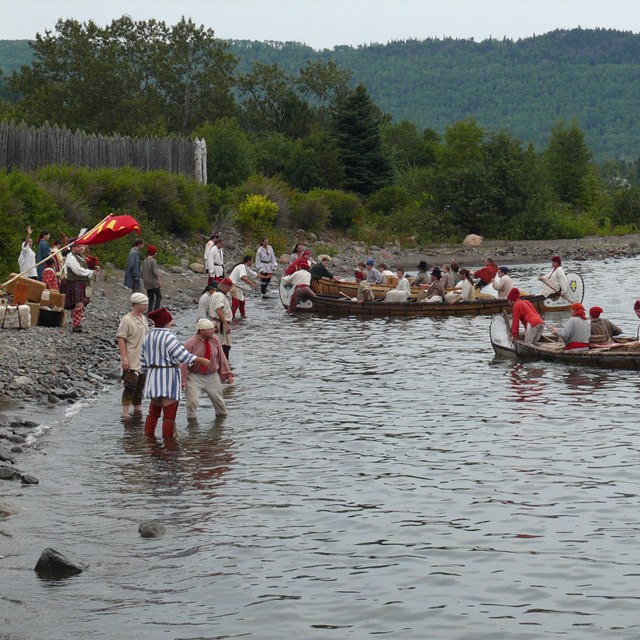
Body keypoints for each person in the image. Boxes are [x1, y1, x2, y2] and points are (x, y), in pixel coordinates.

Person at [140, 307, 209, 439]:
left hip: (153, 375)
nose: (172, 322)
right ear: (165, 322)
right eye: (171, 320)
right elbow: (182, 355)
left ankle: (149, 439)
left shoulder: (148, 336)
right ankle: (168, 442)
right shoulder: (168, 336)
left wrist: (145, 375)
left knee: (153, 411)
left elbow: (142, 359)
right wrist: (200, 360)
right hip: (168, 375)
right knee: (169, 414)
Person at [181, 319, 234, 420]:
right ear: (201, 331)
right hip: (194, 376)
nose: (212, 331)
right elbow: (183, 362)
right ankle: (192, 428)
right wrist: (182, 380)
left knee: (220, 404)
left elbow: (221, 356)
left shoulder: (215, 339)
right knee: (192, 403)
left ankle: (220, 428)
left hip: (212, 375)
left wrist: (228, 373)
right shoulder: (191, 343)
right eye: (209, 329)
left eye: (212, 328)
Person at [117, 293, 150, 418]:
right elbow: (121, 338)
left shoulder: (143, 318)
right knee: (130, 385)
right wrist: (124, 358)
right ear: (136, 305)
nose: (146, 306)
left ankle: (138, 409)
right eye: (144, 304)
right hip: (131, 356)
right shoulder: (127, 320)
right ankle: (125, 412)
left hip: (143, 358)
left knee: (140, 385)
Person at [63, 244, 99, 333]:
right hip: (76, 282)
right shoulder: (71, 257)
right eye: (78, 246)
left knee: (81, 304)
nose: (81, 248)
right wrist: (91, 272)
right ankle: (76, 325)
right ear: (73, 247)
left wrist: (94, 267)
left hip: (82, 282)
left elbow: (85, 266)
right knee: (79, 304)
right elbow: (78, 271)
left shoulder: (81, 256)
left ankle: (76, 323)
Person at [209, 278, 234, 362]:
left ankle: (223, 366)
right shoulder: (220, 295)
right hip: (220, 325)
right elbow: (218, 309)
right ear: (224, 286)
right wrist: (226, 324)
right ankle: (224, 367)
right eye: (228, 287)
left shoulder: (215, 294)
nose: (229, 289)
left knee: (221, 346)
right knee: (223, 347)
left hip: (218, 323)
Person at [142, 244, 162, 312]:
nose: (156, 253)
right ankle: (156, 311)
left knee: (151, 297)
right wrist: (159, 282)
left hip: (146, 281)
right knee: (159, 296)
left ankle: (149, 311)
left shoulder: (145, 260)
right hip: (152, 282)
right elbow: (155, 272)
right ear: (153, 253)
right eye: (155, 252)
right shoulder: (153, 261)